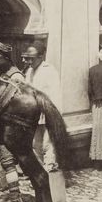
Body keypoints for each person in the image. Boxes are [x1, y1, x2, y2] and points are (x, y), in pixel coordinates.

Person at [0, 41, 26, 202]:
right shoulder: (5, 75)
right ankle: (14, 194)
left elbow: (6, 103)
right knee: (7, 161)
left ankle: (15, 199)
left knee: (8, 161)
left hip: (11, 126)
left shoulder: (15, 77)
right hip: (7, 125)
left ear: (7, 59)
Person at [22, 41, 62, 172]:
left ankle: (49, 169)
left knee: (48, 144)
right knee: (35, 144)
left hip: (47, 114)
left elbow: (55, 95)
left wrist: (53, 116)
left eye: (31, 59)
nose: (29, 62)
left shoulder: (49, 71)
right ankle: (38, 172)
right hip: (33, 115)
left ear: (40, 57)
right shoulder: (29, 71)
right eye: (27, 59)